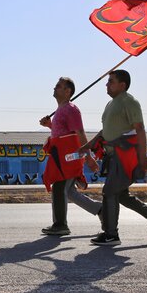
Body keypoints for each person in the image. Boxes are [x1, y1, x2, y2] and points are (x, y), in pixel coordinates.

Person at [80, 69, 147, 246]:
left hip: (125, 155)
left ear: (123, 85)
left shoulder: (130, 102)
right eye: (107, 81)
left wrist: (143, 157)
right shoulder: (110, 105)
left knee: (109, 191)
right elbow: (106, 131)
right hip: (112, 156)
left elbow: (140, 129)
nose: (107, 84)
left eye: (111, 81)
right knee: (121, 195)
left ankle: (111, 234)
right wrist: (88, 145)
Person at [40, 77, 103, 236]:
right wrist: (49, 125)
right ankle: (100, 209)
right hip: (61, 157)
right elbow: (62, 134)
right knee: (68, 192)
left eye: (59, 86)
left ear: (68, 91)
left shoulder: (71, 109)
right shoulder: (62, 110)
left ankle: (60, 224)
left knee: (60, 188)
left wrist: (88, 157)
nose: (54, 88)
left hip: (69, 158)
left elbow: (80, 133)